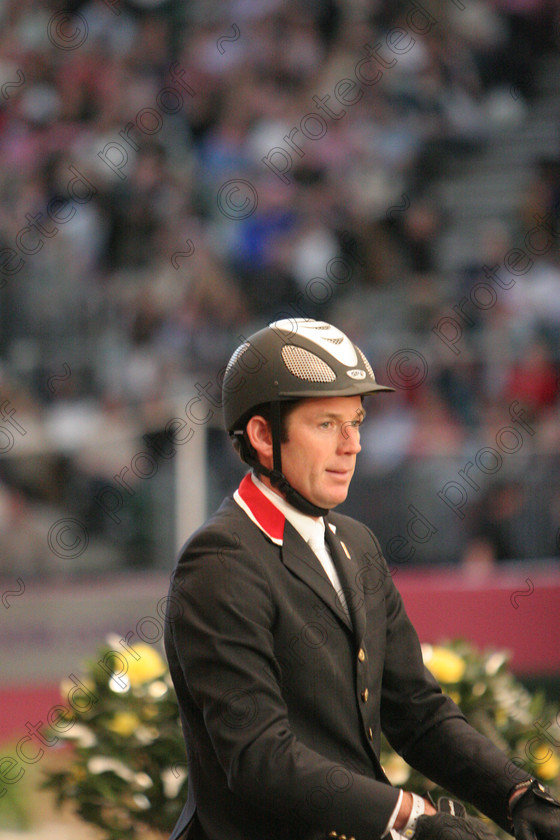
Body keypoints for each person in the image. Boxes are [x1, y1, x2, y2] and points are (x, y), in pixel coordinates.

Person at [164, 318, 560, 840]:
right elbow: (261, 758)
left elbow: (418, 713)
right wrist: (411, 816)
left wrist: (521, 800)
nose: (351, 444)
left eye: (356, 421)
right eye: (326, 424)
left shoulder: (357, 545)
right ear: (262, 435)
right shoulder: (220, 560)